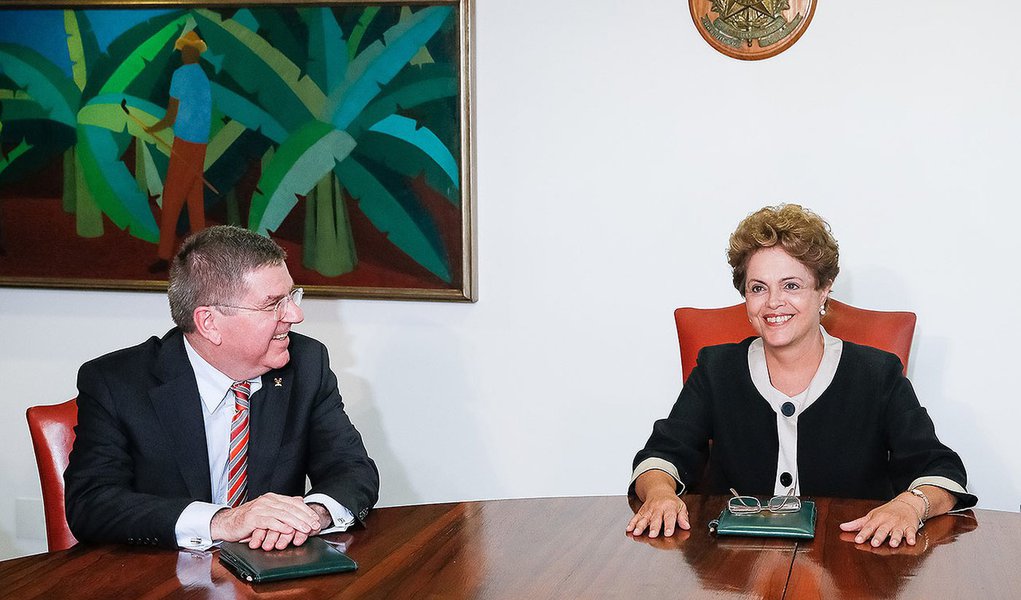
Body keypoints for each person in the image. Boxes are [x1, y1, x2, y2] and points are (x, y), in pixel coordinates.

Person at [626, 204, 975, 548]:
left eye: (791, 285)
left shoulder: (877, 374)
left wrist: (911, 505)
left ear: (823, 289)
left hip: (848, 561)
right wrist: (659, 494)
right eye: (758, 288)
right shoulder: (717, 369)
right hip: (733, 566)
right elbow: (662, 455)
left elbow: (940, 469)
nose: (773, 302)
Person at [65, 225, 379, 551]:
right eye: (273, 304)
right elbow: (91, 503)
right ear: (209, 323)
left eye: (292, 296)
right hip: (160, 577)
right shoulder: (116, 382)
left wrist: (310, 516)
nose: (296, 315)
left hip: (272, 573)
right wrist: (224, 521)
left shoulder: (307, 364)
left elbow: (352, 469)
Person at [145, 30, 212, 273]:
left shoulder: (181, 74)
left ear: (192, 52)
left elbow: (171, 115)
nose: (183, 53)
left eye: (186, 49)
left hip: (185, 142)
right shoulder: (203, 78)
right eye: (183, 49)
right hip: (200, 145)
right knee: (194, 200)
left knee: (172, 198)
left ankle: (164, 255)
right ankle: (203, 259)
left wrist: (154, 128)